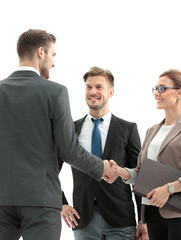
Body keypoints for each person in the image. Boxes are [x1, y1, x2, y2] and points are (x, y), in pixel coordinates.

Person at [0, 30, 118, 240]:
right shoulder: (55, 92)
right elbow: (69, 150)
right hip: (40, 200)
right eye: (53, 55)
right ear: (41, 52)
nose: (53, 63)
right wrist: (101, 167)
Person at [60, 66, 147, 240]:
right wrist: (61, 203)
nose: (93, 92)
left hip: (121, 219)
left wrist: (143, 220)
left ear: (111, 92)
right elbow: (50, 168)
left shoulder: (127, 129)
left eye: (99, 87)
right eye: (88, 87)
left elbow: (140, 176)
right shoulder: (71, 129)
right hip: (83, 218)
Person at [116, 69, 181, 240]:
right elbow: (142, 173)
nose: (157, 93)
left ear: (180, 93)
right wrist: (120, 172)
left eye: (162, 88)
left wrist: (169, 189)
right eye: (155, 89)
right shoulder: (152, 131)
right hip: (152, 211)